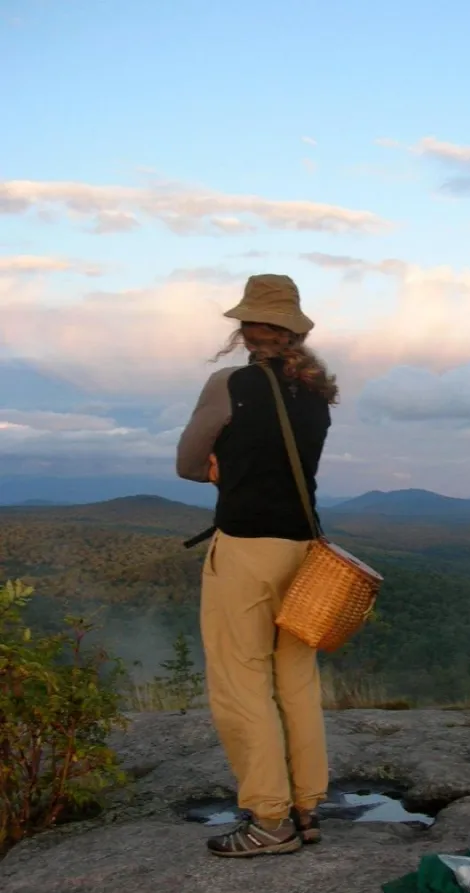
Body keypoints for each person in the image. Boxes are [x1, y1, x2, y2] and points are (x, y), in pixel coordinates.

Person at [176, 274, 338, 857]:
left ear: (246, 329)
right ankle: (306, 807)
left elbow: (188, 465)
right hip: (305, 551)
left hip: (246, 548)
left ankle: (269, 820)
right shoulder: (316, 394)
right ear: (295, 331)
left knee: (242, 682)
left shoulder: (230, 384)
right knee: (296, 679)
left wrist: (220, 467)